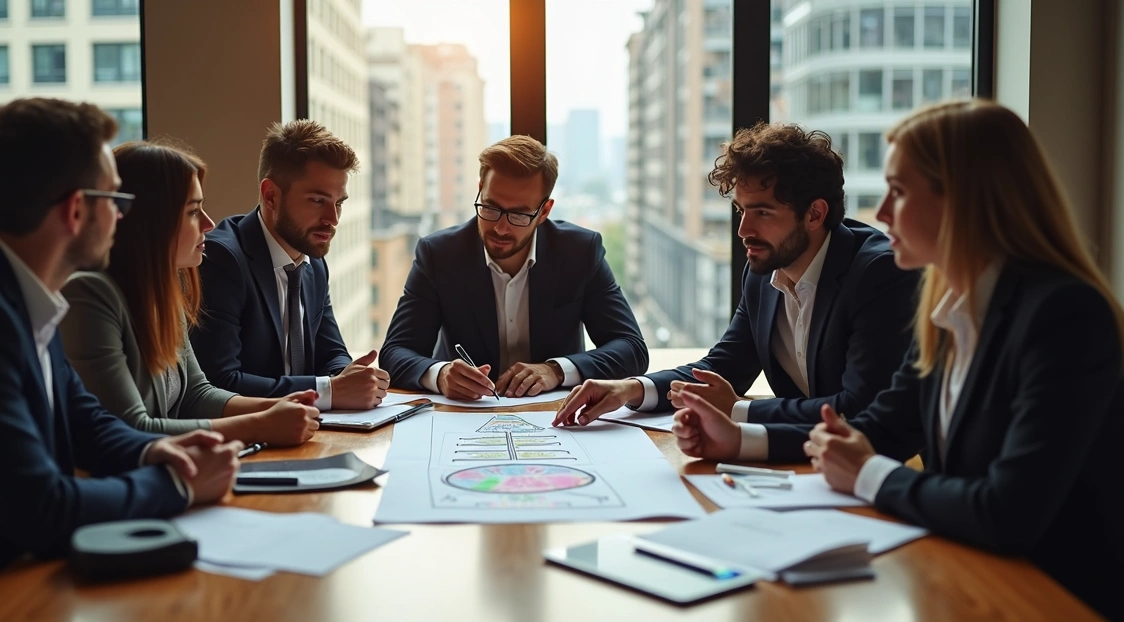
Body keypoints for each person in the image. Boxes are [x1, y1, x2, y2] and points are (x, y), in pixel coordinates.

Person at [671, 99, 1124, 622]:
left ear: (966, 200)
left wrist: (870, 475)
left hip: (1056, 607)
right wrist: (738, 441)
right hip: (967, 578)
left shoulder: (1063, 314)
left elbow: (1008, 511)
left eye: (899, 191)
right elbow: (882, 428)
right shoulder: (948, 307)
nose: (882, 213)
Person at [0, 99, 242, 622]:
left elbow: (84, 417)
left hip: (23, 586)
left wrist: (155, 450)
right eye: (116, 199)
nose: (123, 216)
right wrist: (178, 486)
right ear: (76, 211)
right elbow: (43, 509)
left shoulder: (14, 291)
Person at [555, 122, 917, 428]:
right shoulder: (763, 273)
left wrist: (739, 411)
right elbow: (725, 367)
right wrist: (631, 389)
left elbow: (859, 407)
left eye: (763, 213)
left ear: (815, 214)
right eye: (741, 211)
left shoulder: (878, 273)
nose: (743, 230)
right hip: (807, 460)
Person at [59, 141, 320, 446]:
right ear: (151, 221)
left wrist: (276, 407)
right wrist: (258, 426)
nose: (209, 224)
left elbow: (196, 394)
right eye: (194, 211)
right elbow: (131, 428)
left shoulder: (164, 290)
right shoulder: (88, 296)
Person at [379, 135, 648, 400]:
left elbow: (632, 348)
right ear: (480, 189)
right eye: (491, 207)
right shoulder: (439, 254)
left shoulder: (580, 251)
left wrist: (556, 370)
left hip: (556, 414)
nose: (500, 227)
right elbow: (395, 352)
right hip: (463, 412)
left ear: (544, 211)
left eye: (519, 214)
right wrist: (440, 374)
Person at [190, 120, 389, 410]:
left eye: (339, 203)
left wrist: (350, 377)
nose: (332, 219)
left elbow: (330, 352)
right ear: (271, 195)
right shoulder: (223, 260)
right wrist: (329, 391)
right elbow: (219, 381)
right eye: (317, 200)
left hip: (304, 427)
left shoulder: (313, 262)